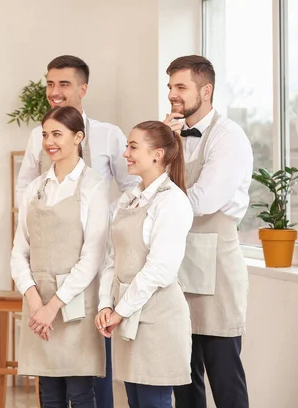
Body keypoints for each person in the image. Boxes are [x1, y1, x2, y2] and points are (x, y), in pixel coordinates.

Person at [15, 54, 139, 408]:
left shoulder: (108, 136)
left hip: (89, 274)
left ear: (83, 89)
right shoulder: (35, 140)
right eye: (50, 83)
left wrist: (100, 220)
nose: (55, 91)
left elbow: (132, 186)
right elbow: (25, 187)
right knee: (50, 386)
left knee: (91, 376)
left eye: (63, 84)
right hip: (44, 274)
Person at [163, 55, 253, 408]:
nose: (172, 94)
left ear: (206, 89)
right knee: (183, 379)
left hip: (216, 270)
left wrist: (160, 197)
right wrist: (163, 146)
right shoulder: (170, 135)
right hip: (176, 267)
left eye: (180, 87)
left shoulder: (229, 136)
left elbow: (201, 201)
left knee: (225, 376)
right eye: (170, 86)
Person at [11, 106, 109, 407]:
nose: (49, 141)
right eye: (45, 134)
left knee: (80, 391)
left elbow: (92, 258)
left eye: (57, 134)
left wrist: (52, 307)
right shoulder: (33, 189)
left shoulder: (94, 187)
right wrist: (34, 303)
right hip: (38, 303)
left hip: (74, 303)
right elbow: (19, 252)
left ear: (78, 137)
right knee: (48, 391)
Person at [96, 120, 193, 408]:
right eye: (127, 146)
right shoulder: (129, 199)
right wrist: (105, 305)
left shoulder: (173, 202)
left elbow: (159, 270)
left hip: (157, 321)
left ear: (157, 154)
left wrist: (119, 311)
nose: (125, 153)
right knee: (135, 402)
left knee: (153, 401)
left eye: (133, 146)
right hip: (127, 318)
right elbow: (112, 258)